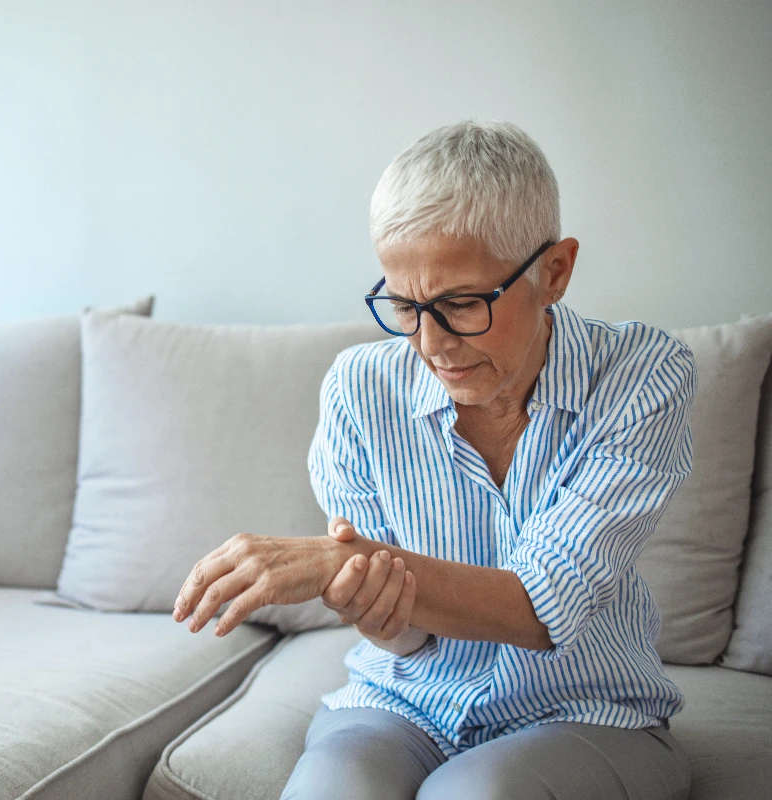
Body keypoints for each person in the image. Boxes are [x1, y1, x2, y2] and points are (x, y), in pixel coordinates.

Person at [170, 119, 695, 799]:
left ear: (555, 272)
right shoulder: (360, 390)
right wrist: (377, 610)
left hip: (587, 712)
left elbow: (545, 606)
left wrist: (336, 564)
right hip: (405, 708)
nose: (430, 343)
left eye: (462, 303)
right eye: (405, 306)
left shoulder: (643, 374)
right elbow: (404, 640)